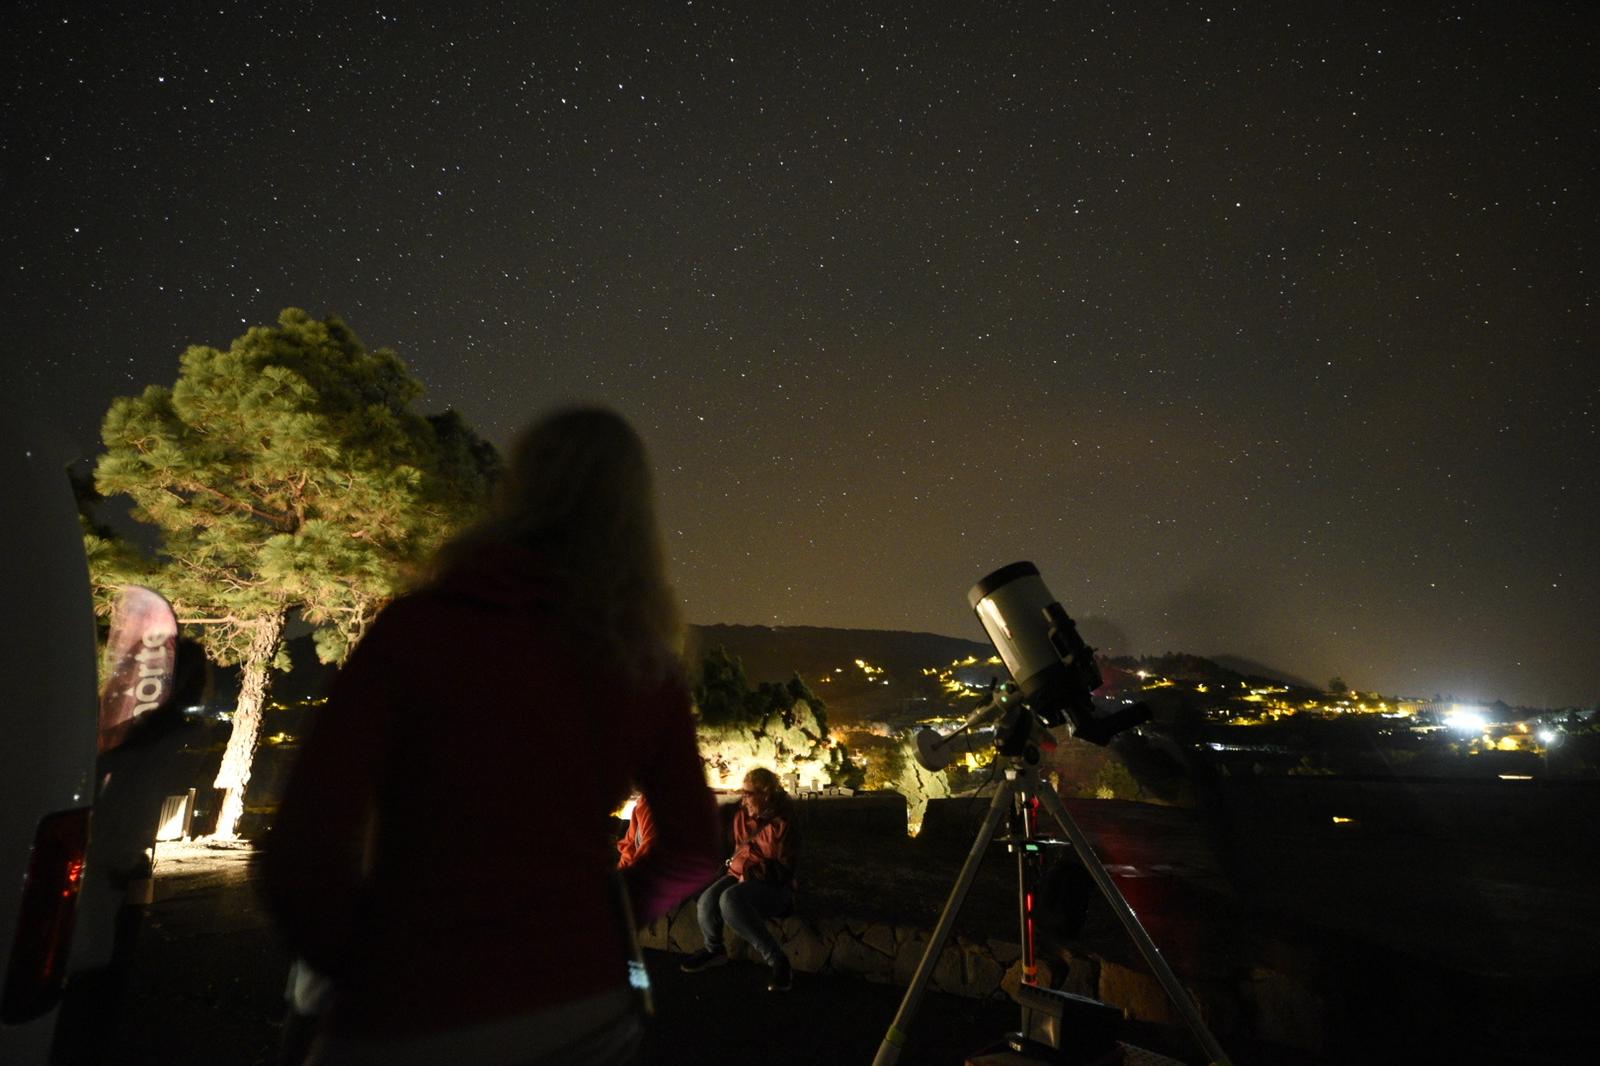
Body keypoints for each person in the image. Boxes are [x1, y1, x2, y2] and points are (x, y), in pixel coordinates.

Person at [261, 407, 723, 1066]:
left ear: (520, 487)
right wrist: (601, 921)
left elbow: (304, 847)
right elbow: (695, 850)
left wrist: (364, 961)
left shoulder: (419, 629)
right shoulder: (639, 661)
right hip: (584, 1013)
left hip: (412, 1015)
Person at [680, 767, 799, 992]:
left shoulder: (783, 823)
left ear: (766, 794)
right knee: (707, 899)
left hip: (773, 885)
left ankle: (778, 961)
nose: (744, 798)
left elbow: (784, 868)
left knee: (729, 900)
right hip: (738, 876)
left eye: (748, 793)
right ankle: (714, 950)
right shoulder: (740, 816)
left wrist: (750, 874)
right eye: (742, 793)